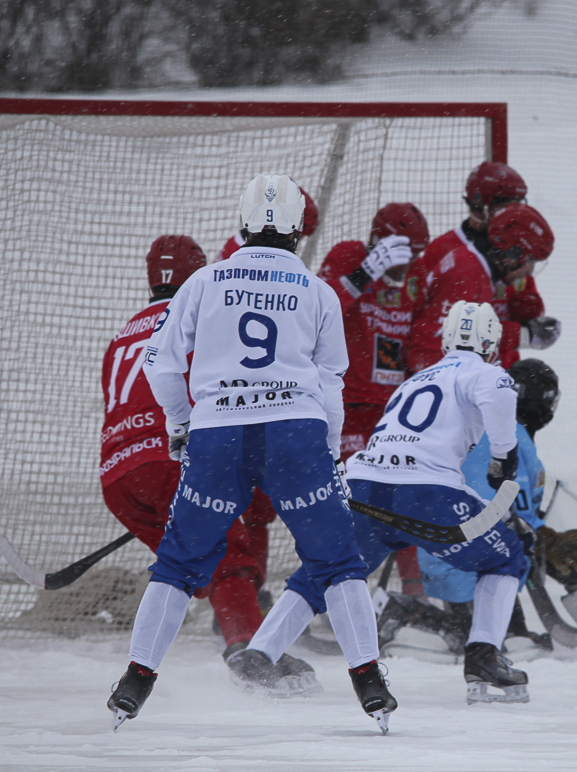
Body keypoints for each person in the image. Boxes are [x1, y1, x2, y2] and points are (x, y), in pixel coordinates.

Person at [106, 174, 396, 733]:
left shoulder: (205, 281)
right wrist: (329, 450)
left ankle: (135, 683)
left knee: (178, 565)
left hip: (220, 435)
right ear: (296, 228)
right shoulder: (317, 290)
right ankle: (370, 682)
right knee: (338, 562)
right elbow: (332, 380)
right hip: (296, 432)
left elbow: (160, 364)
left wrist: (182, 423)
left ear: (242, 222)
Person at [242, 301, 534, 703]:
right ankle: (483, 657)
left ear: (446, 340)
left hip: (363, 488)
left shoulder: (414, 380)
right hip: (423, 492)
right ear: (490, 344)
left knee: (325, 570)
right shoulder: (485, 373)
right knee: (508, 557)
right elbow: (499, 392)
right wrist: (505, 457)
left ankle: (259, 654)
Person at [100, 236, 320, 690]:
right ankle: (249, 650)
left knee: (195, 560)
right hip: (171, 457)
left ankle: (239, 610)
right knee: (226, 550)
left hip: (118, 476)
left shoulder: (123, 332)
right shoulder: (197, 317)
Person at [388, 358, 577, 653]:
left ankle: (451, 623)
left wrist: (538, 536)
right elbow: (494, 510)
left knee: (507, 633)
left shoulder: (489, 429)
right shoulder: (505, 438)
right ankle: (409, 613)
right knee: (491, 640)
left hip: (457, 556)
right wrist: (541, 538)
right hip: (466, 562)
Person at [317, 203, 431, 598]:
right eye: (405, 252)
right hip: (346, 409)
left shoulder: (415, 276)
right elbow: (317, 309)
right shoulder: (350, 256)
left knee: (403, 498)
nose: (410, 262)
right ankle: (331, 593)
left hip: (392, 412)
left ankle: (414, 594)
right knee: (353, 505)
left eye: (417, 253)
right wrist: (365, 273)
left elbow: (423, 331)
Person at [217, 188, 320, 581]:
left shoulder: (237, 256)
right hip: (249, 405)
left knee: (251, 508)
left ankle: (245, 590)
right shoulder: (248, 264)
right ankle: (236, 591)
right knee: (249, 507)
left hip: (242, 403)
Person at [406, 203, 555, 374]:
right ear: (513, 253)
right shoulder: (469, 276)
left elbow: (467, 337)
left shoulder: (473, 267)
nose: (529, 272)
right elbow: (429, 350)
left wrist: (524, 334)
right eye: (531, 261)